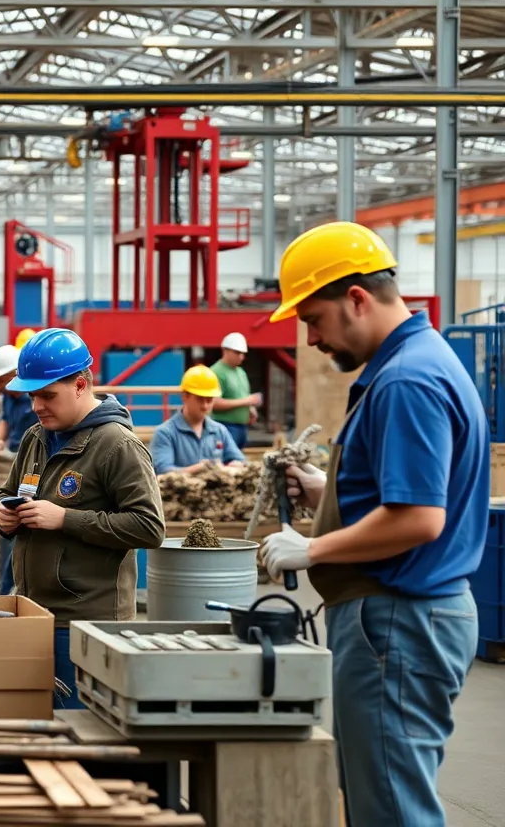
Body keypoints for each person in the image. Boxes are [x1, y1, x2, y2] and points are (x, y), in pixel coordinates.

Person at [259, 221, 487, 827]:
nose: (310, 339)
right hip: (408, 615)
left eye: (314, 319)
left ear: (357, 298)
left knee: (390, 807)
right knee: (377, 795)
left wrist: (312, 548)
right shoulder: (419, 361)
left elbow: (417, 518)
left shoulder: (407, 380)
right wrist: (324, 493)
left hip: (398, 618)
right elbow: (401, 494)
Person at [0, 329, 164, 709]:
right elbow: (9, 492)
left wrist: (66, 519)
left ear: (81, 385)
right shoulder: (36, 437)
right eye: (32, 395)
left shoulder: (117, 445)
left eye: (47, 395)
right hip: (34, 611)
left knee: (80, 734)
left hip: (86, 625)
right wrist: (4, 515)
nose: (36, 405)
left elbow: (149, 527)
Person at [0, 343, 40, 595]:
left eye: (1, 379)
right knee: (12, 523)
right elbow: (5, 421)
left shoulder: (33, 397)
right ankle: (7, 590)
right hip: (16, 458)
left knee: (24, 529)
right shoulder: (9, 395)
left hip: (34, 460)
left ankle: (10, 590)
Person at [149, 365, 246, 475]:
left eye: (209, 400)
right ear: (185, 396)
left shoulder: (219, 431)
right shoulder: (165, 433)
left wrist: (236, 466)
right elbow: (163, 470)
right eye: (200, 399)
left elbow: (240, 461)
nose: (205, 406)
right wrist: (202, 469)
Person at [210, 332, 262, 449]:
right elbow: (214, 403)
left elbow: (243, 395)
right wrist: (246, 402)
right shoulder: (216, 372)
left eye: (243, 354)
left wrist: (250, 408)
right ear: (225, 350)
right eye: (237, 353)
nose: (241, 357)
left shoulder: (241, 372)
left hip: (241, 427)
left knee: (237, 461)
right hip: (224, 425)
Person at [0, 345, 38, 455]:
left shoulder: (35, 398)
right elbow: (5, 420)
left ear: (16, 375)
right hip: (14, 453)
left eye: (0, 381)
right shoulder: (7, 396)